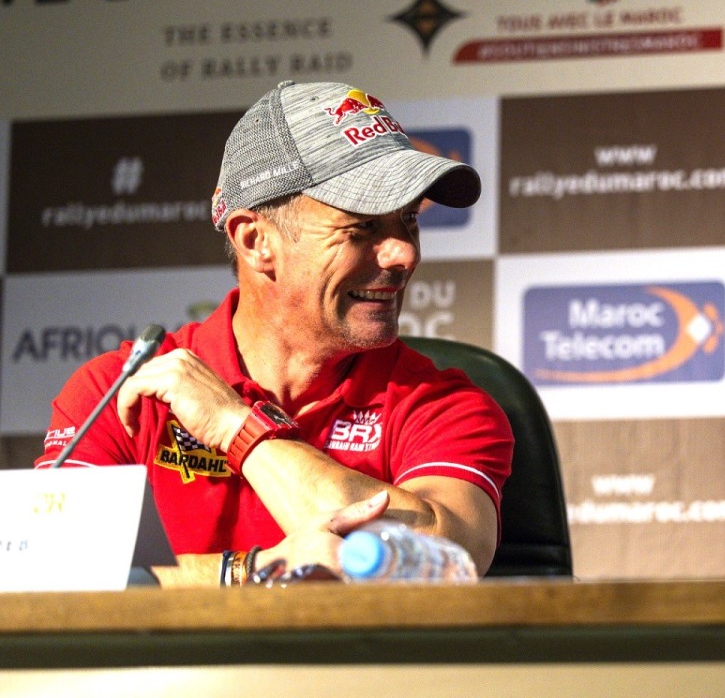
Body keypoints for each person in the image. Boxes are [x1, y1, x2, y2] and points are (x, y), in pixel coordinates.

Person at [36, 81, 514, 587]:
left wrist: (237, 429)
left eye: (409, 220)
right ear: (256, 240)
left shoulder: (444, 403)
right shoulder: (119, 391)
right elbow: (48, 570)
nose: (405, 254)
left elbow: (447, 558)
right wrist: (253, 572)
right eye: (362, 229)